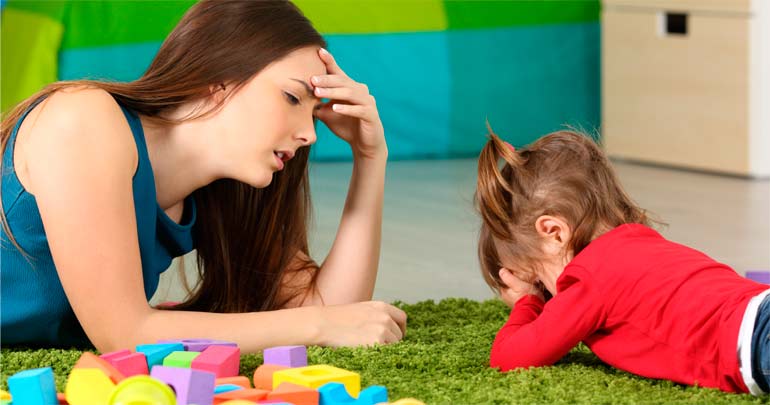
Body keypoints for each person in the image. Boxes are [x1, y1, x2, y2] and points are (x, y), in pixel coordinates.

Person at [1, 0, 406, 353]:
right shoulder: (82, 120)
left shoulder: (219, 191)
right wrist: (318, 327)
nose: (309, 134)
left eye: (314, 112)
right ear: (218, 82)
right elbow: (123, 333)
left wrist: (370, 157)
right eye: (292, 97)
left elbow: (333, 310)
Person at [474, 129, 769, 394]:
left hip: (756, 342)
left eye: (540, 281)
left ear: (554, 232)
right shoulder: (639, 242)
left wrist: (528, 301)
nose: (551, 299)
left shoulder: (588, 279)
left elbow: (509, 358)